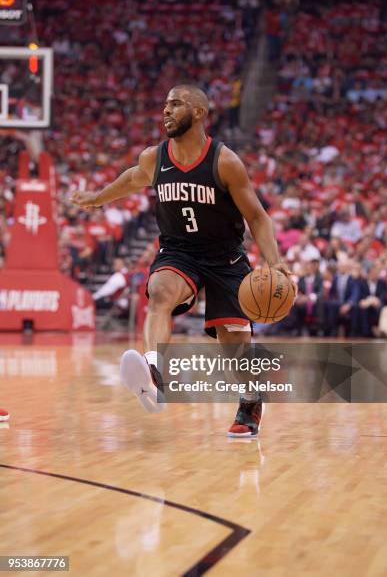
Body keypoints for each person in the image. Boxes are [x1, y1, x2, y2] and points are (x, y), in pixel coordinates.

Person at [71, 84, 293, 437]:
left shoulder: (224, 161)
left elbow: (258, 216)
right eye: (165, 105)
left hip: (226, 258)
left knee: (234, 344)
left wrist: (274, 260)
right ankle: (155, 375)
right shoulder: (154, 158)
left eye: (176, 104)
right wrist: (98, 198)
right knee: (159, 292)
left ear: (199, 112)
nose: (167, 111)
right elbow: (131, 179)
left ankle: (250, 400)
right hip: (179, 251)